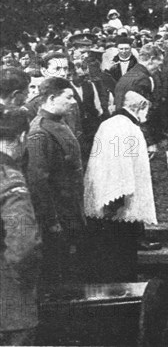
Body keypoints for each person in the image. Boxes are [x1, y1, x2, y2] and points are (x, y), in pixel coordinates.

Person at [83, 91, 157, 282]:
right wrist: (115, 199)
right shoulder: (121, 127)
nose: (147, 115)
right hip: (117, 203)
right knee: (118, 252)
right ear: (140, 107)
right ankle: (122, 290)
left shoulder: (117, 124)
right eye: (147, 109)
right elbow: (116, 164)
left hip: (117, 201)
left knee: (119, 250)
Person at [27, 77, 86, 286]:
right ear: (52, 98)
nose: (73, 102)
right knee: (57, 273)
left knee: (71, 269)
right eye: (68, 97)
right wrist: (52, 221)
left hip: (70, 211)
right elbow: (38, 183)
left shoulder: (58, 123)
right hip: (58, 217)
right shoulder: (40, 132)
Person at [0, 105, 42, 347]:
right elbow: (23, 243)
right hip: (10, 305)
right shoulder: (10, 180)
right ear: (22, 137)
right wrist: (24, 282)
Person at [114, 43, 164, 146]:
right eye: (159, 64)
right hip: (134, 134)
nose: (159, 69)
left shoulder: (130, 74)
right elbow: (142, 113)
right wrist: (149, 143)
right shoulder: (143, 79)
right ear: (151, 59)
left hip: (120, 127)